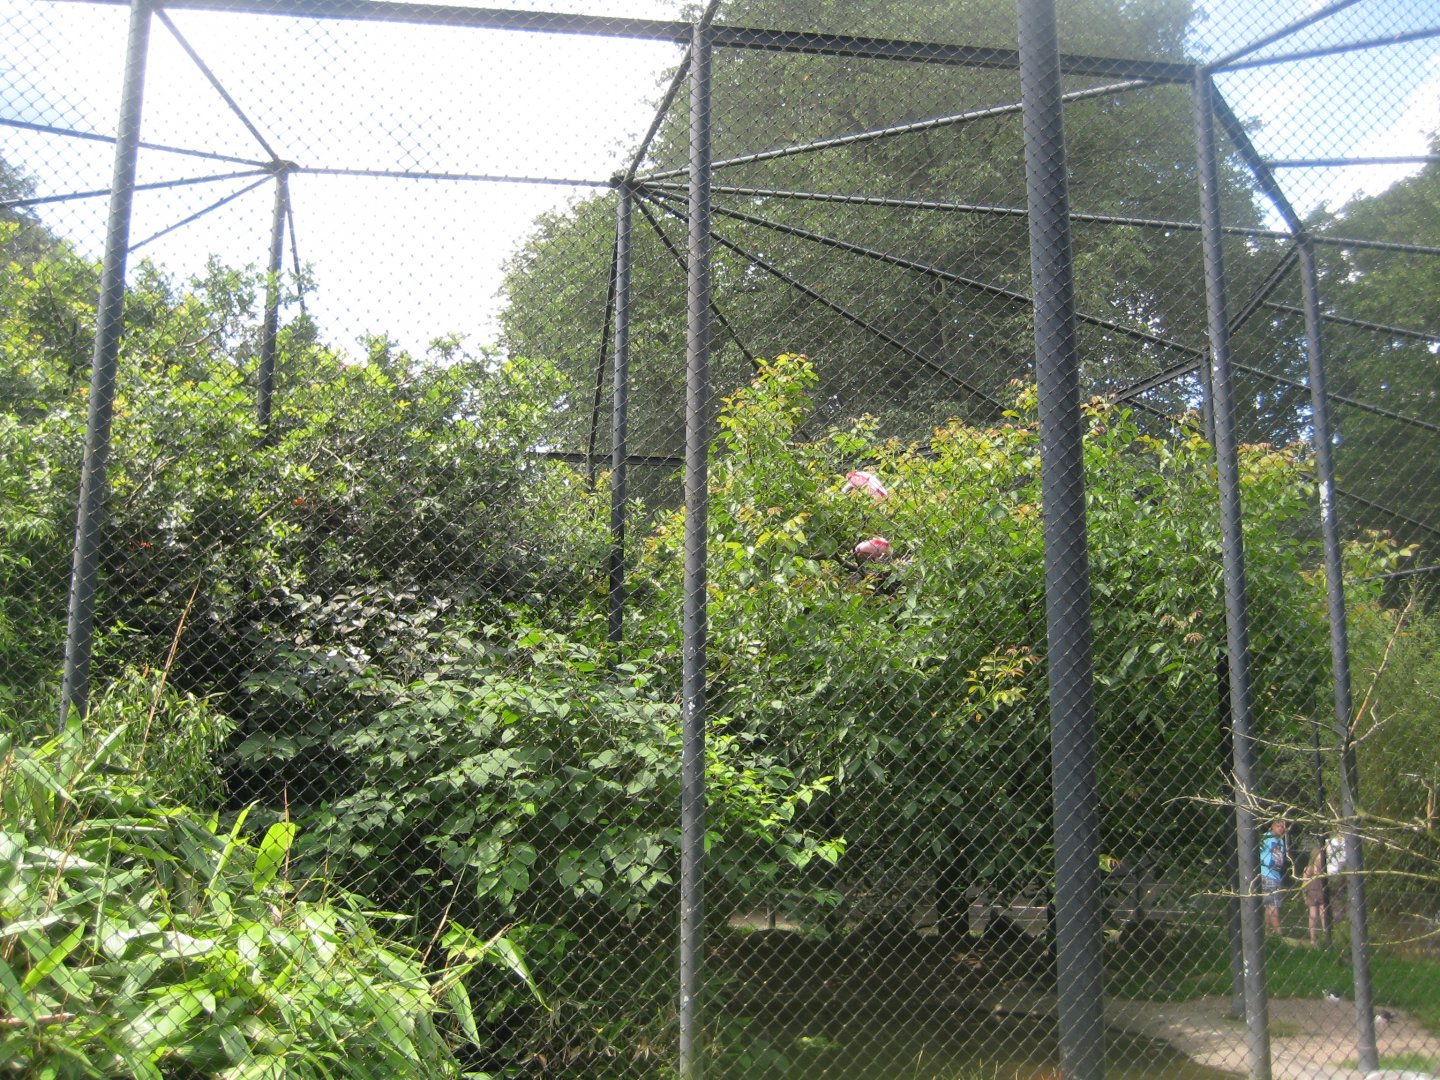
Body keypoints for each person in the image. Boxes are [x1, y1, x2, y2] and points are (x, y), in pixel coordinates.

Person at [1259, 819, 1289, 933]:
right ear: (1272, 826)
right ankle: (1279, 933)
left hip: (1276, 875)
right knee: (1273, 905)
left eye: (1283, 827)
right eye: (1278, 826)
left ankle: (1266, 931)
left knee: (1269, 905)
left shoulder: (1281, 841)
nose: (1281, 829)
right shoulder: (1265, 838)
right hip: (1266, 874)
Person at [1302, 847, 1329, 945]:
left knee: (1323, 914)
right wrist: (1304, 895)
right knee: (1313, 915)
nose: (1320, 860)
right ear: (1314, 858)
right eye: (1318, 858)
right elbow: (1304, 883)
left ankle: (1326, 934)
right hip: (1311, 894)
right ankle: (1312, 938)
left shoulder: (1324, 869)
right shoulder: (1308, 869)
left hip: (1321, 894)